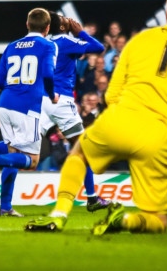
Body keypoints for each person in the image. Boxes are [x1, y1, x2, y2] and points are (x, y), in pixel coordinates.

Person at [26, 0, 167, 234]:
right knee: (159, 221)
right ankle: (125, 220)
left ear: (166, 13)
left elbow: (112, 94)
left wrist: (126, 121)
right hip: (159, 136)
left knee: (79, 154)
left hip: (119, 119)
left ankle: (59, 213)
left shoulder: (140, 40)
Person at [0, 8, 57, 217]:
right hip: (27, 106)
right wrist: (52, 94)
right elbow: (47, 73)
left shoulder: (12, 46)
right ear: (47, 28)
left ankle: (5, 207)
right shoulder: (48, 45)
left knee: (14, 153)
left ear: (27, 25)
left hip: (5, 104)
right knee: (32, 160)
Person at [38, 12, 108, 211]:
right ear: (61, 27)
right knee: (82, 149)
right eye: (64, 18)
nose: (69, 19)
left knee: (24, 146)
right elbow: (98, 48)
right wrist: (81, 32)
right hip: (61, 100)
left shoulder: (45, 43)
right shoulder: (67, 40)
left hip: (42, 100)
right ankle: (92, 198)